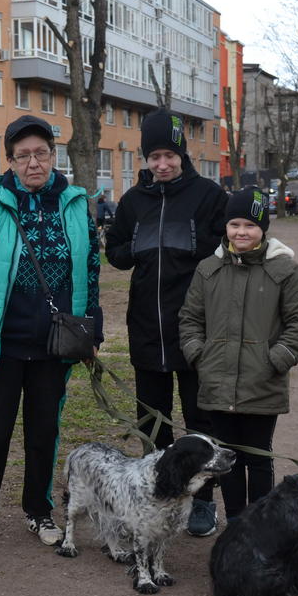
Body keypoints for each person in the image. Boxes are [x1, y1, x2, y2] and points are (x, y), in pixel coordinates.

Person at [0, 114, 103, 547]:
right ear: (10, 161)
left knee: (44, 429)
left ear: (54, 157)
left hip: (55, 342)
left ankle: (39, 510)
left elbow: (91, 271)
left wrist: (93, 333)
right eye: (23, 156)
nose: (33, 162)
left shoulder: (74, 204)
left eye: (41, 153)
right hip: (1, 341)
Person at [105, 107, 229, 536]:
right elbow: (117, 254)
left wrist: (191, 243)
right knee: (151, 420)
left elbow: (229, 247)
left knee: (200, 419)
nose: (161, 164)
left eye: (168, 155)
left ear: (182, 154)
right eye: (153, 156)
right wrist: (134, 244)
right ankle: (158, 494)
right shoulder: (134, 201)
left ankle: (202, 502)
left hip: (196, 329)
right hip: (145, 327)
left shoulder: (209, 196)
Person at [178, 186, 298, 523]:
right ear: (226, 227)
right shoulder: (208, 269)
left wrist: (277, 358)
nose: (242, 232)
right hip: (218, 380)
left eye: (250, 226)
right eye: (235, 224)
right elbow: (190, 318)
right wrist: (200, 355)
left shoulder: (284, 270)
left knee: (258, 455)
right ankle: (236, 522)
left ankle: (261, 522)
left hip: (262, 381)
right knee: (228, 456)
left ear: (262, 229)